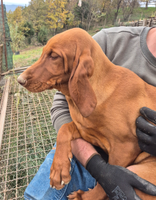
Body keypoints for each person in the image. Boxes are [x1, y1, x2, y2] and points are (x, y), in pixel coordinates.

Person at [24, 26, 156, 200]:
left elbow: (126, 144)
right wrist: (96, 166)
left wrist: (98, 192)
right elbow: (62, 104)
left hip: (142, 163)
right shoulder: (107, 42)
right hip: (86, 151)